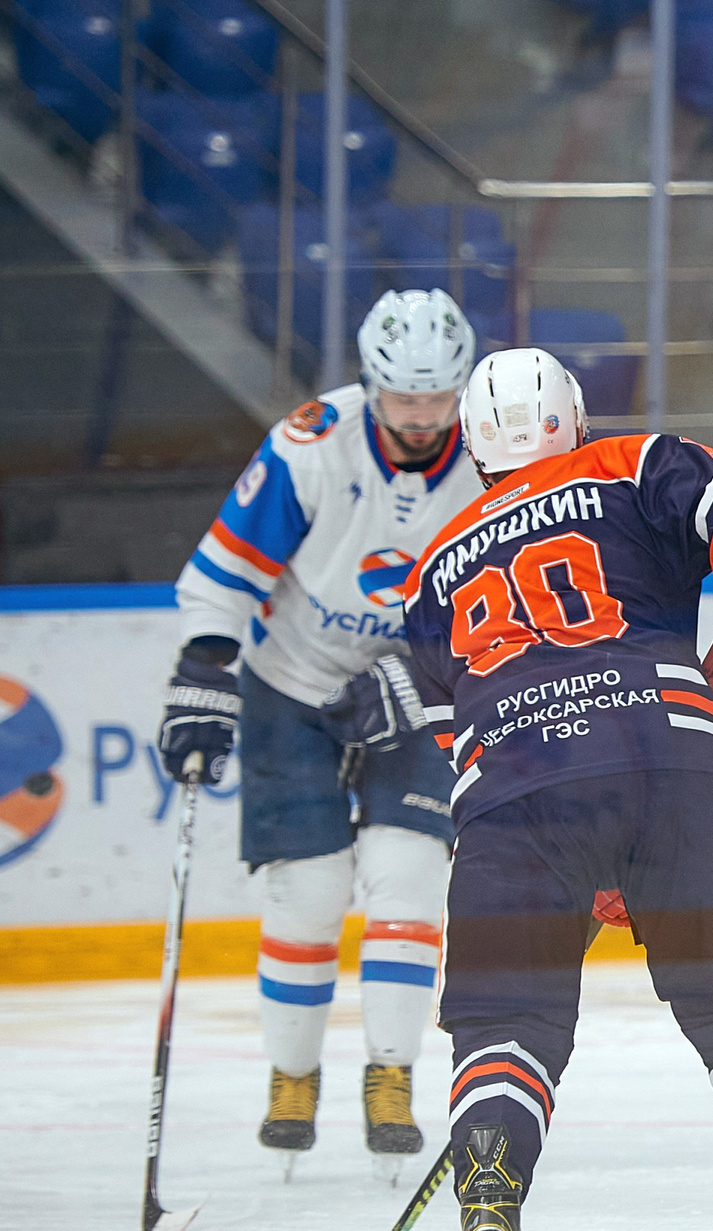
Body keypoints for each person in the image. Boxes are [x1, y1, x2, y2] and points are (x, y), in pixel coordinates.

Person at [372, 347, 713, 1231]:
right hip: (676, 769)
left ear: (471, 447)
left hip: (512, 798)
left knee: (506, 1019)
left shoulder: (434, 570)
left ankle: (487, 1217)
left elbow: (435, 717)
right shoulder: (637, 465)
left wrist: (575, 849)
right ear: (575, 418)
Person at [157, 289, 480, 1178]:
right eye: (403, 399)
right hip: (291, 681)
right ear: (370, 384)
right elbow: (224, 572)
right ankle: (293, 1077)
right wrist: (201, 672)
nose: (421, 418)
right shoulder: (310, 445)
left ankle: (391, 1077)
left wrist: (417, 676)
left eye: (438, 399)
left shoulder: (491, 454)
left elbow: (506, 599)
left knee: (408, 880)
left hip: (422, 693)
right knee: (306, 890)